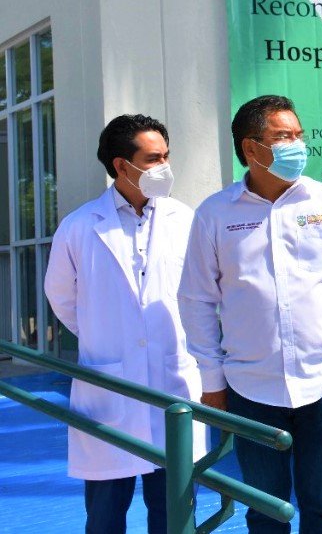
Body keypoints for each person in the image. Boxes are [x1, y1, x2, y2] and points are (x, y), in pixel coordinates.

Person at [178, 95, 322, 534]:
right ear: (251, 149)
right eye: (283, 137)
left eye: (298, 135)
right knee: (265, 510)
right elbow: (196, 300)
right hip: (251, 387)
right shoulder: (214, 214)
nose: (297, 145)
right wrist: (211, 381)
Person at [44, 114, 205, 534]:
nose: (165, 167)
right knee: (105, 515)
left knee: (172, 512)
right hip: (109, 388)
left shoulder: (184, 219)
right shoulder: (79, 226)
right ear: (121, 165)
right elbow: (61, 297)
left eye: (167, 156)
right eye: (154, 159)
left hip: (172, 383)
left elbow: (203, 291)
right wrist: (109, 333)